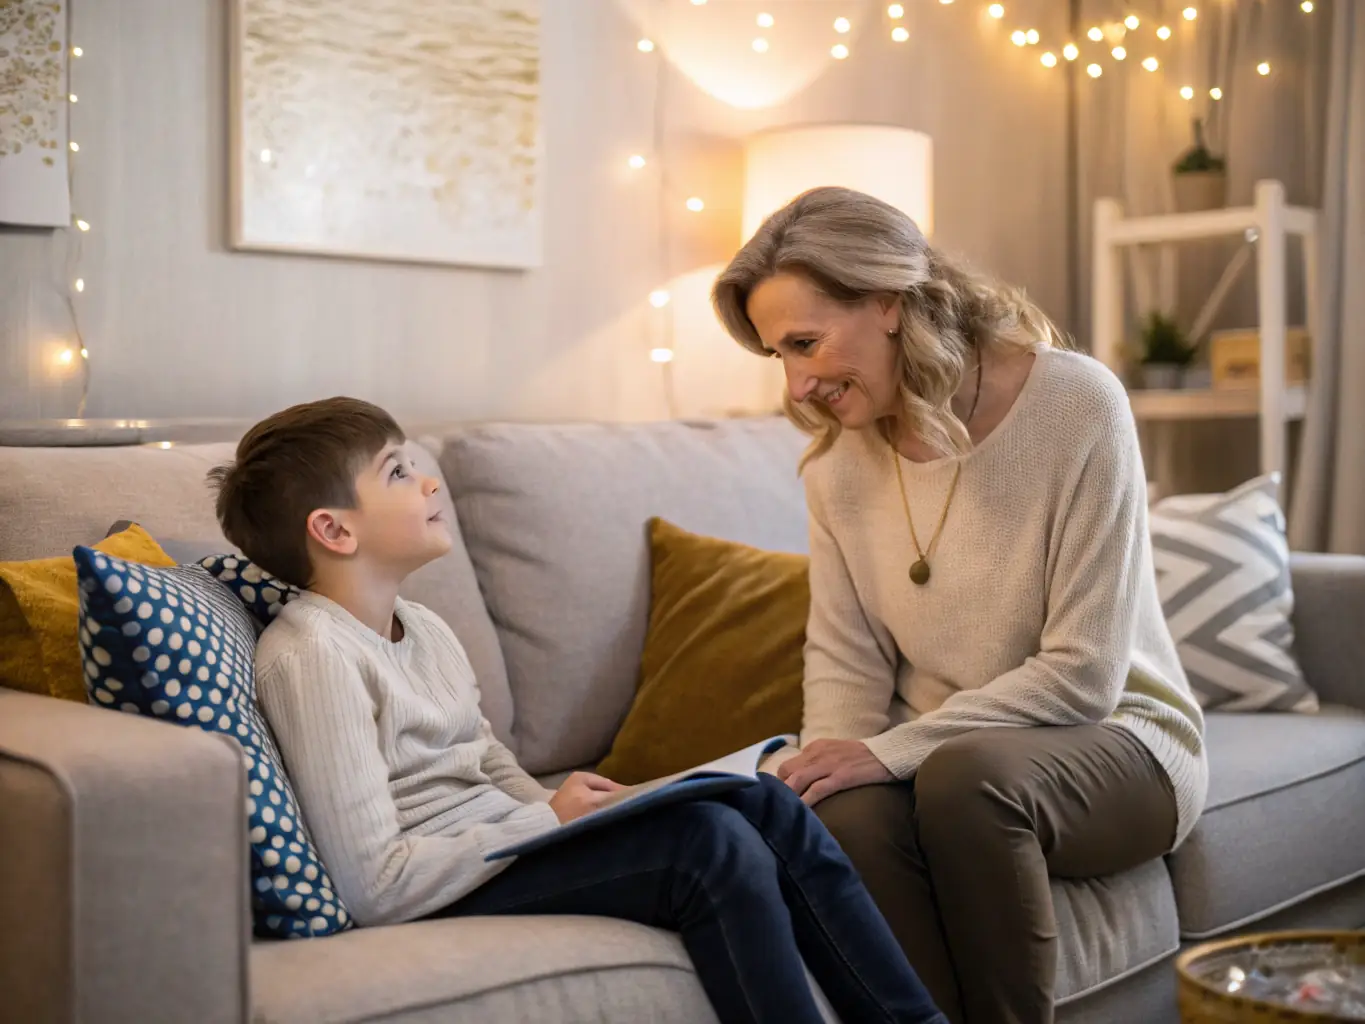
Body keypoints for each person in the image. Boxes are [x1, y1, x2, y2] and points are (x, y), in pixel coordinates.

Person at [207, 396, 945, 1024]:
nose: (429, 482)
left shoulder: (421, 625)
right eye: (397, 471)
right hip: (444, 883)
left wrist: (580, 810)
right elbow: (374, 885)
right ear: (335, 531)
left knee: (766, 802)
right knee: (707, 842)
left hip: (506, 842)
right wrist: (545, 821)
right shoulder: (311, 656)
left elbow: (486, 757)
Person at [710, 187, 1208, 1024]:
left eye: (806, 343)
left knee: (965, 783)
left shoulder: (1077, 404)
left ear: (887, 302)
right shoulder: (836, 467)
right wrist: (829, 765)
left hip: (1117, 741)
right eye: (777, 357)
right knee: (848, 814)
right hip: (937, 756)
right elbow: (846, 660)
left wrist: (893, 750)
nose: (797, 385)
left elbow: (1085, 674)